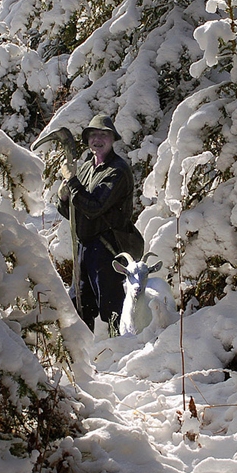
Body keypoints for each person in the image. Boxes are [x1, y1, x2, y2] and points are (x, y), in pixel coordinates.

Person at [57, 114, 142, 334]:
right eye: (93, 134)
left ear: (112, 138)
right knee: (79, 305)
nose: (97, 139)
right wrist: (64, 197)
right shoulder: (86, 167)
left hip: (106, 248)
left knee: (112, 306)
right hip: (84, 248)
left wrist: (73, 183)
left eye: (103, 135)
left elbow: (94, 208)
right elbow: (74, 213)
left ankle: (122, 352)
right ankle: (83, 357)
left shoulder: (117, 171)